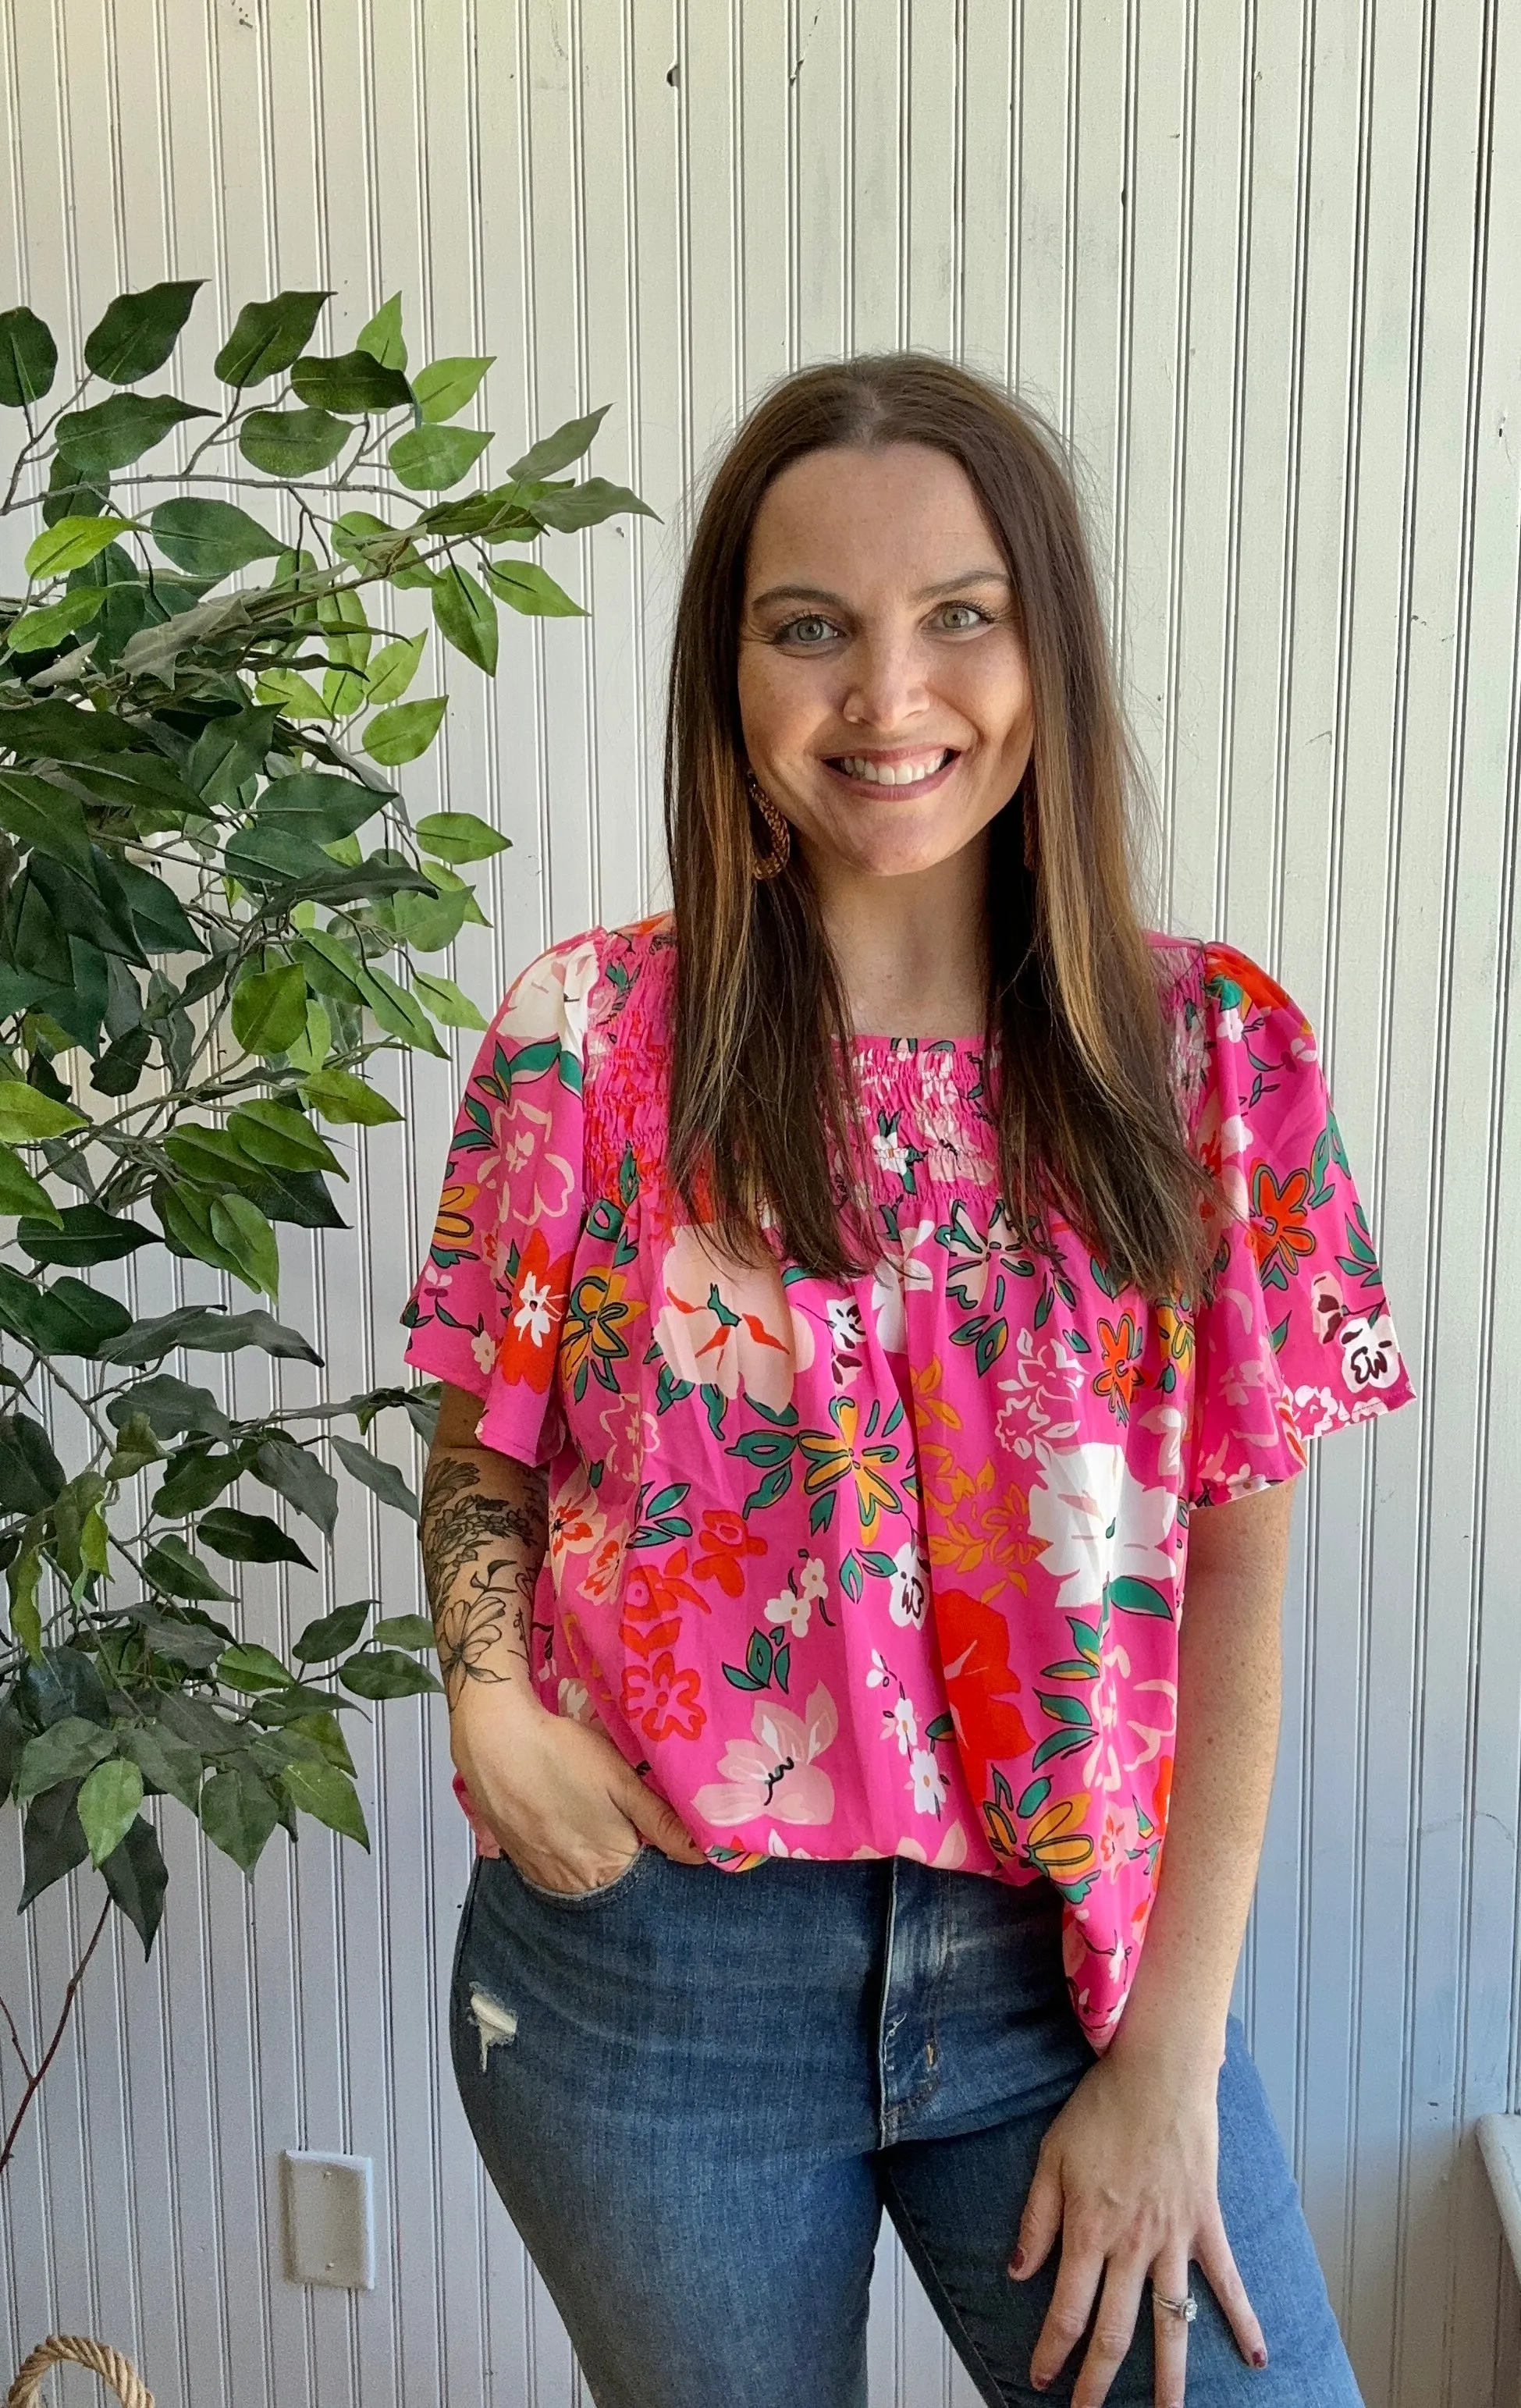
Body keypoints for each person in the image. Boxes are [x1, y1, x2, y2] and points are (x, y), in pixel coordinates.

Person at [403, 354, 1414, 2408]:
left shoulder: (1211, 1060)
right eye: (810, 627)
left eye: (959, 612)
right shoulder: (583, 1040)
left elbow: (1234, 1582)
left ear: (1045, 645)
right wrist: (485, 1696)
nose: (888, 693)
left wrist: (1168, 2061)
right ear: (731, 669)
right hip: (647, 1985)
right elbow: (475, 1443)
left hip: (1064, 1976)